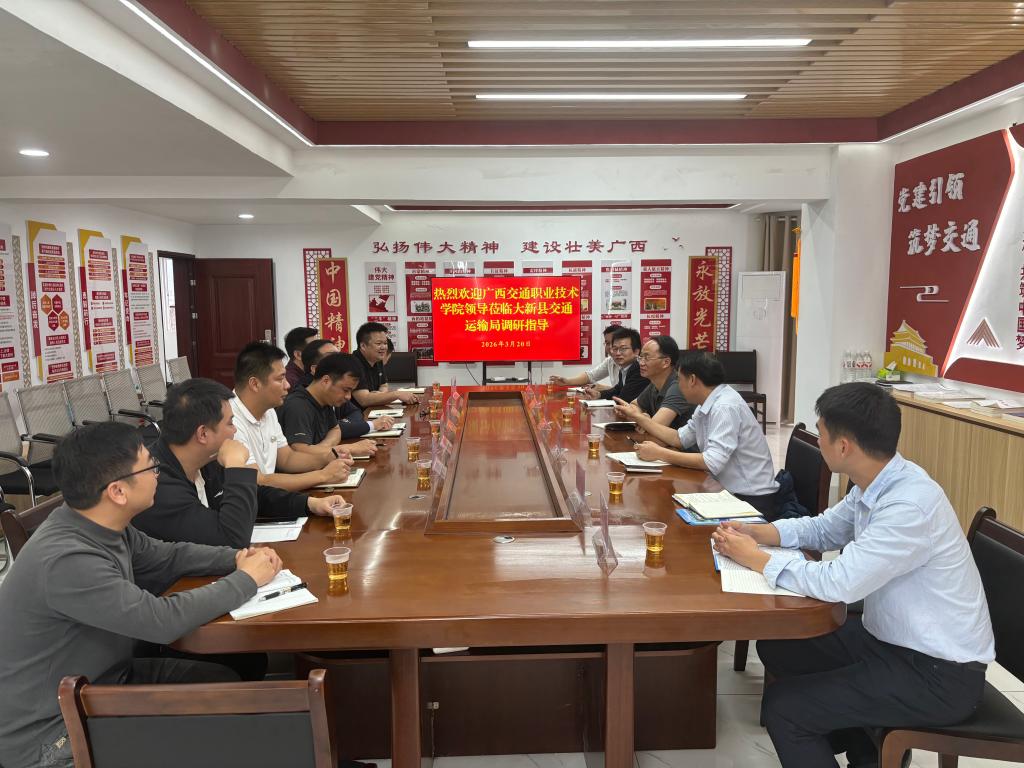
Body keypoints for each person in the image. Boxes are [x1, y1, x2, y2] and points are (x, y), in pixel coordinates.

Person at [712, 383, 994, 768]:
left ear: (843, 446)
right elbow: (826, 528)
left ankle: (860, 739)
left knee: (786, 710)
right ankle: (868, 750)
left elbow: (839, 582)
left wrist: (758, 560)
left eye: (821, 433)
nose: (818, 440)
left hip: (938, 672)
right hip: (892, 640)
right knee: (781, 648)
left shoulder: (908, 505)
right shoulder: (879, 479)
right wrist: (762, 533)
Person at [0, 422, 283, 768]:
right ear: (118, 491)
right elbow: (161, 620)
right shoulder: (66, 559)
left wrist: (238, 557)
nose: (157, 474)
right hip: (53, 734)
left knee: (224, 681)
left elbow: (168, 556)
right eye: (150, 467)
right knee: (212, 721)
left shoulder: (100, 524)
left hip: (102, 681)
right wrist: (246, 580)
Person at [134, 378, 346, 548]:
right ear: (203, 434)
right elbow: (233, 538)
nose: (235, 431)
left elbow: (254, 494)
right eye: (230, 423)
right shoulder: (157, 483)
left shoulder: (205, 458)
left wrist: (310, 504)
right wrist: (235, 464)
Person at [617, 349, 777, 510]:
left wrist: (660, 454)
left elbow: (711, 462)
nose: (678, 386)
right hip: (723, 489)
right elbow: (679, 438)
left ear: (692, 380)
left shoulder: (724, 407)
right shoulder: (707, 403)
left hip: (750, 498)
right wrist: (639, 418)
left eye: (679, 380)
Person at [231, 341, 353, 493]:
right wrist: (323, 475)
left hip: (271, 497)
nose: (287, 385)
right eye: (280, 379)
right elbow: (258, 481)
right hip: (253, 502)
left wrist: (328, 458)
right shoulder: (229, 421)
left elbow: (287, 458)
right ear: (255, 384)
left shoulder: (268, 411)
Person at [281, 352, 384, 458]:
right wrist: (349, 449)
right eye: (346, 390)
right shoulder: (297, 406)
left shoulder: (325, 399)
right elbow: (300, 452)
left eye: (351, 391)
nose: (348, 397)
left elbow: (335, 430)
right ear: (326, 381)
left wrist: (324, 449)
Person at [301, 340, 393, 443]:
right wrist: (371, 425)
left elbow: (355, 412)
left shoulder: (335, 387)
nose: (339, 360)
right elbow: (324, 430)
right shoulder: (305, 397)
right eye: (332, 356)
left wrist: (342, 424)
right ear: (315, 369)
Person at [614, 335, 693, 429]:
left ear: (666, 362)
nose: (641, 363)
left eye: (647, 358)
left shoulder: (678, 386)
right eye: (641, 357)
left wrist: (640, 418)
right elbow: (635, 405)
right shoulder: (655, 383)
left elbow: (655, 428)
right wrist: (641, 416)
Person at [352, 322, 418, 408]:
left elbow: (383, 385)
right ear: (363, 346)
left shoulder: (377, 359)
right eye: (378, 343)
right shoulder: (353, 364)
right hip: (358, 413)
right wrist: (396, 394)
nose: (383, 347)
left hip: (375, 409)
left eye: (385, 343)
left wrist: (380, 395)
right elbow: (364, 400)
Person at [548, 324, 623, 395]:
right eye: (607, 343)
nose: (610, 347)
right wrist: (567, 381)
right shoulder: (610, 361)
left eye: (613, 342)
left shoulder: (629, 363)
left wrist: (606, 389)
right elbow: (590, 376)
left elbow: (629, 393)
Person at [600, 327, 646, 403]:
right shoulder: (624, 368)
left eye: (623, 348)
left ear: (636, 351)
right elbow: (618, 389)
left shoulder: (640, 369)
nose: (618, 353)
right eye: (615, 349)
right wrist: (598, 394)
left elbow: (623, 399)